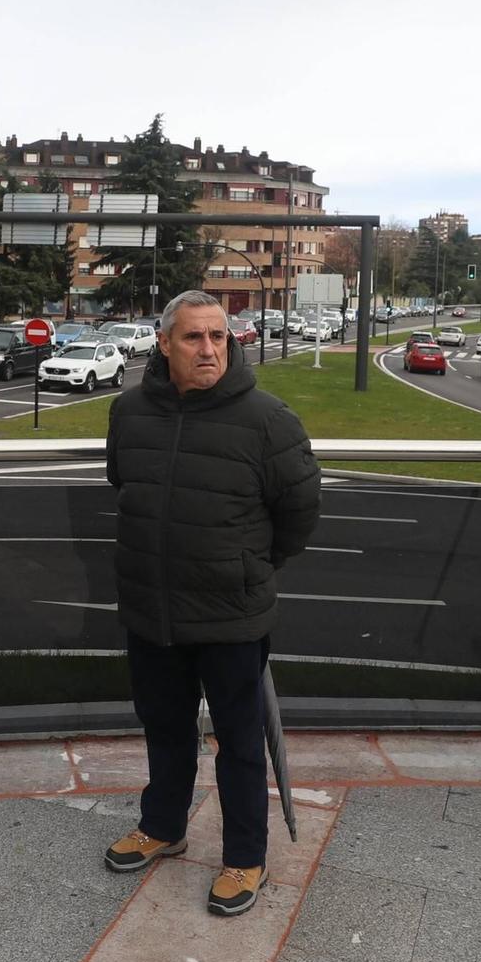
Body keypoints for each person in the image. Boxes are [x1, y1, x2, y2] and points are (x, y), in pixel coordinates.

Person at [100, 289, 321, 917]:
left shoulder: (268, 420)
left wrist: (251, 566)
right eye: (193, 337)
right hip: (152, 608)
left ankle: (245, 856)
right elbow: (125, 482)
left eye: (218, 337)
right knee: (164, 726)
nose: (208, 348)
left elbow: (300, 512)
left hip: (231, 614)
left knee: (239, 742)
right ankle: (163, 826)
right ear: (164, 344)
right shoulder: (129, 412)